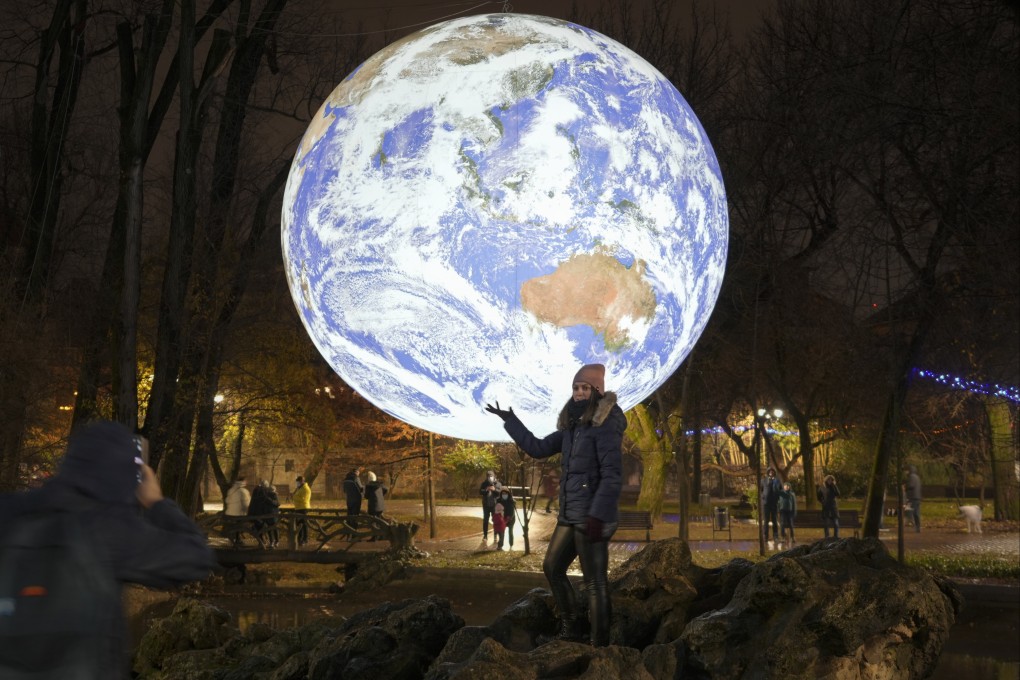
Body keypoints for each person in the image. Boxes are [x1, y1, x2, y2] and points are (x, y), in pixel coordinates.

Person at [0, 420, 216, 678]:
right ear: (123, 472)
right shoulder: (109, 528)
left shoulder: (12, 512)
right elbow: (197, 557)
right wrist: (157, 503)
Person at [486, 363, 625, 647]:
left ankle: (600, 646)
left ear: (597, 391)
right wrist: (511, 420)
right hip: (571, 512)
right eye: (576, 387)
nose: (578, 392)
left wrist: (598, 515)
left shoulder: (605, 424)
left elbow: (612, 475)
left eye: (585, 387)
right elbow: (537, 448)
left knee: (594, 581)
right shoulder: (572, 427)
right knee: (552, 567)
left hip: (592, 516)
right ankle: (572, 628)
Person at [248, 480, 280, 548]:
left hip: (269, 514)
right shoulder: (262, 492)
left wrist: (267, 499)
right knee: (267, 527)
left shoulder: (270, 494)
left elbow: (277, 503)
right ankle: (269, 541)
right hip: (264, 514)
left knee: (272, 527)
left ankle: (274, 541)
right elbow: (263, 503)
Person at [224, 476, 251, 547]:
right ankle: (238, 540)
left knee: (235, 525)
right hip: (239, 513)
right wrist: (248, 512)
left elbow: (227, 500)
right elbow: (246, 504)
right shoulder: (244, 491)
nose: (246, 482)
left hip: (230, 513)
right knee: (240, 525)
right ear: (243, 482)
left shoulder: (231, 490)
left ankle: (235, 539)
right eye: (245, 481)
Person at [761, 467, 782, 543]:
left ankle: (775, 536)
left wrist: (777, 498)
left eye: (772, 471)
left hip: (774, 504)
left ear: (774, 473)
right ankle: (765, 536)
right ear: (767, 472)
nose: (771, 472)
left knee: (774, 521)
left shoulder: (777, 481)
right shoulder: (763, 481)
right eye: (769, 471)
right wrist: (763, 497)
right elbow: (761, 490)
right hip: (766, 504)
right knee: (765, 521)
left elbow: (780, 491)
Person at [479, 470, 499, 544]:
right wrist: (486, 490)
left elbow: (499, 493)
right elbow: (480, 492)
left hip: (494, 505)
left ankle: (495, 536)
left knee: (495, 521)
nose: (490, 477)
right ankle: (485, 536)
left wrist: (494, 490)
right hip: (486, 505)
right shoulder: (484, 483)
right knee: (485, 520)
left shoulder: (497, 483)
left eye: (491, 476)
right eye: (488, 476)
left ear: (494, 476)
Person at [291, 475, 312, 546]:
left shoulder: (306, 489)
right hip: (298, 508)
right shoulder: (300, 488)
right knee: (299, 524)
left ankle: (305, 539)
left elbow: (304, 500)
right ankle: (300, 538)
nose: (297, 483)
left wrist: (294, 497)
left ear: (302, 481)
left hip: (303, 508)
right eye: (297, 482)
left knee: (304, 524)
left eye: (298, 482)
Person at [819, 474, 840, 538]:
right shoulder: (822, 487)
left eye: (831, 480)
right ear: (826, 480)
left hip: (833, 508)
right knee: (826, 524)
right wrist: (823, 502)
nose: (830, 481)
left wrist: (834, 485)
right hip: (826, 508)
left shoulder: (834, 487)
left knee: (836, 524)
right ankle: (827, 537)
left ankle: (836, 536)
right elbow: (819, 496)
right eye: (829, 479)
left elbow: (838, 493)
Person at [498, 485, 517, 550]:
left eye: (505, 493)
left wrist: (507, 520)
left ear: (508, 494)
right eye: (503, 494)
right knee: (501, 533)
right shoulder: (499, 501)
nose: (504, 495)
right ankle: (500, 545)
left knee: (510, 532)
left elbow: (511, 513)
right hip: (502, 519)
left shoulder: (511, 502)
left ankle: (511, 544)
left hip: (510, 519)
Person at [905, 465, 922, 533]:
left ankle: (909, 524)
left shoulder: (911, 477)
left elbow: (911, 485)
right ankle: (918, 527)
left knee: (910, 511)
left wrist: (906, 487)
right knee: (917, 513)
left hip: (913, 497)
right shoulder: (917, 477)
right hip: (918, 497)